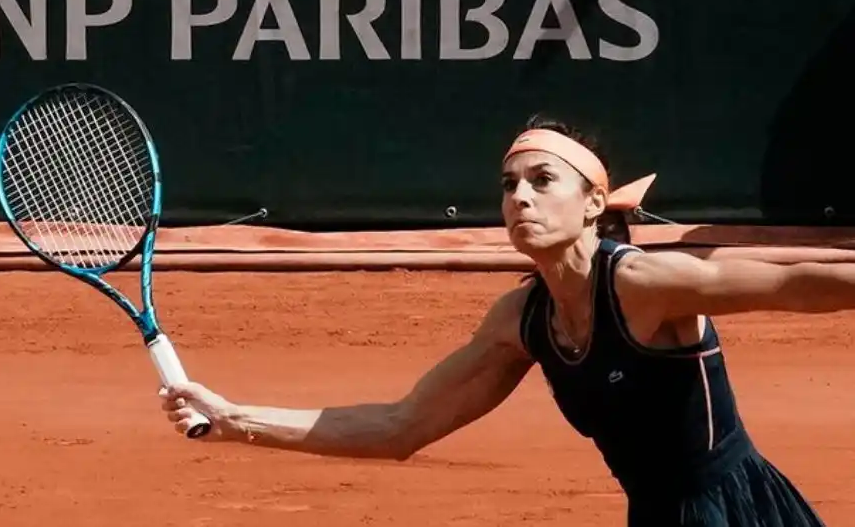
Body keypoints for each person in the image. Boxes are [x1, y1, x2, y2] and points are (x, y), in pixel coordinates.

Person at [160, 115, 838, 526]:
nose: (519, 198)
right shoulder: (522, 320)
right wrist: (234, 418)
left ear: (594, 201)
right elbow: (402, 426)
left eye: (543, 181)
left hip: (739, 513)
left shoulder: (641, 283)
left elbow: (792, 280)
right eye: (509, 185)